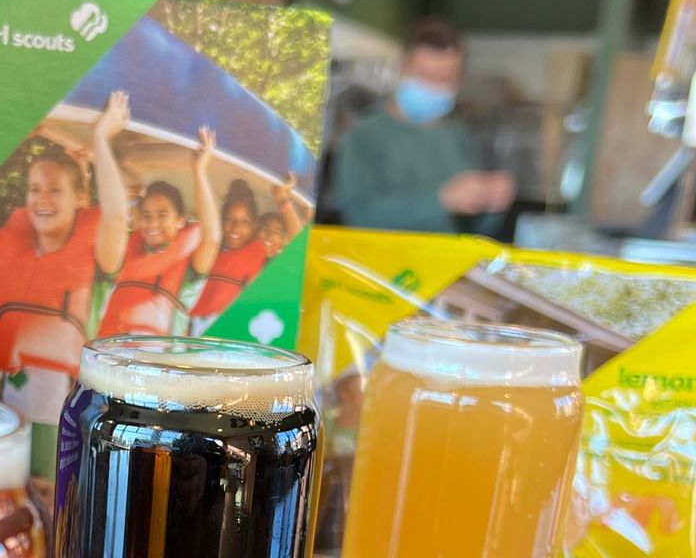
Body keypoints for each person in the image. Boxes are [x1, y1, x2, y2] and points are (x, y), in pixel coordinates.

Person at [0, 91, 130, 429]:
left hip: (62, 406)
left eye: (54, 189)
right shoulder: (16, 245)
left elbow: (116, 217)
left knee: (49, 482)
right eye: (34, 189)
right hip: (12, 395)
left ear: (80, 198)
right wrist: (11, 135)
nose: (41, 199)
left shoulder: (98, 257)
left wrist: (100, 139)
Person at [335, 18, 514, 236]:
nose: (433, 86)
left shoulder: (457, 136)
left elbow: (471, 229)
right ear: (401, 68)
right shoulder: (364, 136)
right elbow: (360, 217)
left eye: (444, 78)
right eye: (424, 75)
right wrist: (441, 200)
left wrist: (491, 204)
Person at [98, 125, 220, 338]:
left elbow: (212, 238)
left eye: (162, 215)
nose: (152, 223)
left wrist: (199, 170)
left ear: (180, 221)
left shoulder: (191, 268)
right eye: (146, 215)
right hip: (110, 352)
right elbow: (119, 182)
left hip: (156, 359)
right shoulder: (129, 251)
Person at [188, 170, 304, 335]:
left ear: (254, 226)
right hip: (199, 331)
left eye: (245, 221)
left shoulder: (261, 254)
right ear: (221, 221)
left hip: (238, 332)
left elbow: (300, 245)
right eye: (229, 219)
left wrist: (282, 200)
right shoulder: (207, 247)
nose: (235, 228)